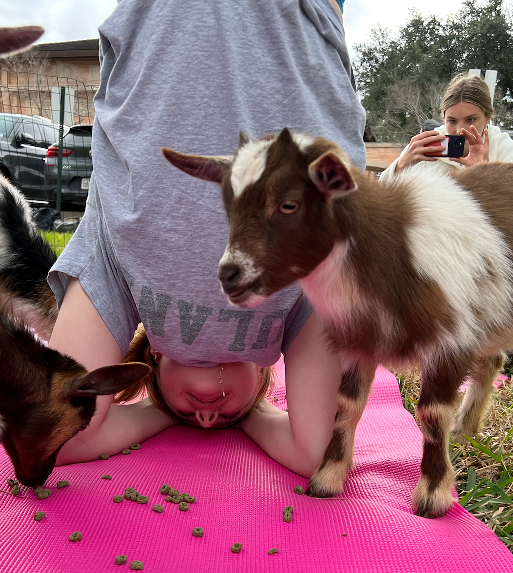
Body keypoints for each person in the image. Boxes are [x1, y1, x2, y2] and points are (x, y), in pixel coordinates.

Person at [47, 0, 365, 479]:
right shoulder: (296, 301)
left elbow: (61, 436)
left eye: (189, 416)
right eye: (228, 418)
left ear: (152, 361)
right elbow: (315, 453)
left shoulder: (119, 270)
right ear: (264, 376)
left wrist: (160, 413)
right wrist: (253, 417)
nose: (208, 414)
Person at [379, 73, 513, 181]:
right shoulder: (428, 143)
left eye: (470, 119)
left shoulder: (503, 148)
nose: (460, 130)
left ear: (487, 119)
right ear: (443, 119)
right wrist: (401, 165)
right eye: (452, 121)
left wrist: (483, 172)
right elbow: (383, 194)